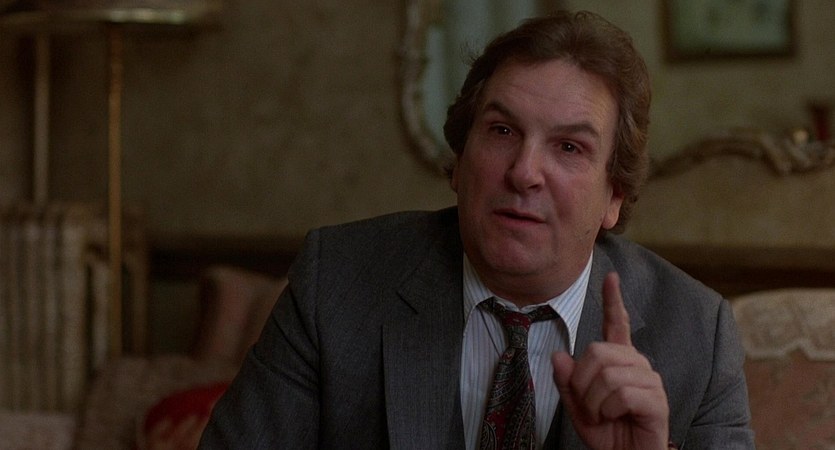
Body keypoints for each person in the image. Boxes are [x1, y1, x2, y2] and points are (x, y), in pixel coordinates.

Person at [199, 10, 754, 450]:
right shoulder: (338, 280)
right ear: (460, 162)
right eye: (502, 130)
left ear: (614, 196)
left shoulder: (696, 335)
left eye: (569, 147)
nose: (524, 172)